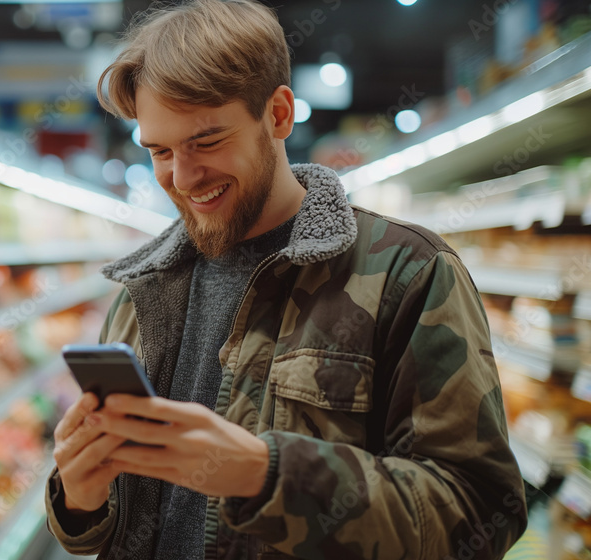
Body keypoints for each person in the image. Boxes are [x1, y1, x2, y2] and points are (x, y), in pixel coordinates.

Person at [44, 0, 529, 558]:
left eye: (205, 141)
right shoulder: (142, 291)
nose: (182, 176)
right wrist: (80, 497)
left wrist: (266, 475)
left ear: (278, 115)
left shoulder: (406, 273)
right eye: (159, 151)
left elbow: (482, 515)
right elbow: (106, 527)